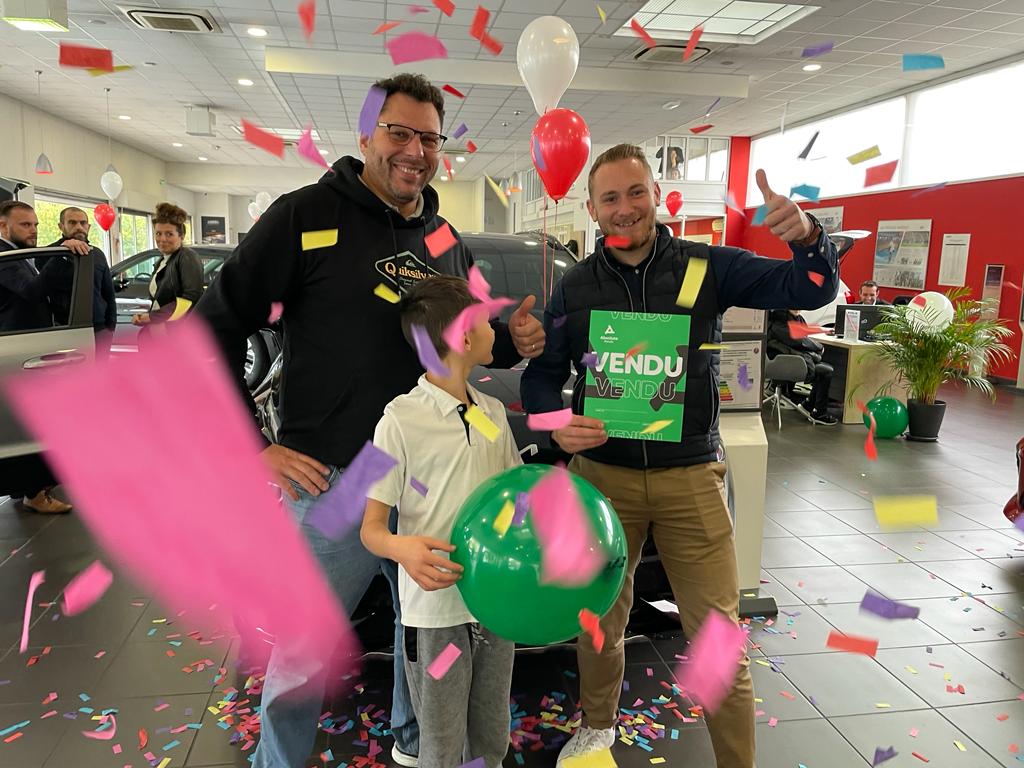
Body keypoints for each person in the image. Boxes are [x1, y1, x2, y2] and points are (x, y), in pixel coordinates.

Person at [195, 73, 544, 768]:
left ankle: (415, 752)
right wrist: (254, 445)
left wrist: (513, 340)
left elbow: (461, 333)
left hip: (433, 481)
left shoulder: (442, 237)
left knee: (425, 638)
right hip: (341, 478)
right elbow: (211, 327)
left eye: (429, 139)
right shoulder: (302, 216)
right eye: (399, 132)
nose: (415, 151)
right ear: (365, 134)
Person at [520, 143, 840, 768]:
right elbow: (542, 378)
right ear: (592, 209)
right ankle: (597, 726)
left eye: (636, 192)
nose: (625, 208)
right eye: (610, 198)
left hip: (691, 478)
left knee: (718, 639)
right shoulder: (575, 287)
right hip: (602, 480)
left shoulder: (707, 266)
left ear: (655, 196)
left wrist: (808, 238)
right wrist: (556, 424)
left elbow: (810, 288)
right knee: (598, 623)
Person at [362, 276, 519, 768]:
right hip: (435, 616)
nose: (496, 330)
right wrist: (402, 549)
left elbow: (513, 494)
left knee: (490, 732)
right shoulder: (398, 420)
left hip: (494, 609)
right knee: (442, 737)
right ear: (464, 338)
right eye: (488, 322)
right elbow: (370, 527)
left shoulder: (492, 412)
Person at [0, 200, 90, 514]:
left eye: (35, 225)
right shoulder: (5, 258)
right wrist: (62, 253)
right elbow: (33, 290)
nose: (33, 231)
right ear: (3, 226)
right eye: (25, 225)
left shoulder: (17, 253)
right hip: (21, 351)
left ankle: (27, 488)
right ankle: (35, 492)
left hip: (26, 348)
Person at [37, 207, 117, 358]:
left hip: (99, 329)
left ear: (89, 226)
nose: (79, 227)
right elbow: (42, 283)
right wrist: (62, 251)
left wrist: (111, 326)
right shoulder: (47, 254)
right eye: (72, 223)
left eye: (83, 223)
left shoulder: (97, 254)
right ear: (61, 226)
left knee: (101, 370)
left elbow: (108, 292)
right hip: (65, 330)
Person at [131, 203, 203, 332]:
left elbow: (190, 299)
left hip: (177, 334)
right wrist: (146, 316)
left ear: (181, 236)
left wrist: (152, 317)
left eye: (169, 234)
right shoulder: (163, 261)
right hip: (160, 332)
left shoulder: (187, 257)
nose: (162, 239)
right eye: (158, 233)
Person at [767, 308, 838, 425]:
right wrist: (819, 347)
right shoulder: (780, 320)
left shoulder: (790, 318)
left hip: (789, 359)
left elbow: (803, 335)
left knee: (824, 369)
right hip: (785, 362)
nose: (798, 308)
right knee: (825, 371)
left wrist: (823, 331)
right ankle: (818, 413)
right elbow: (799, 340)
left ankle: (808, 405)